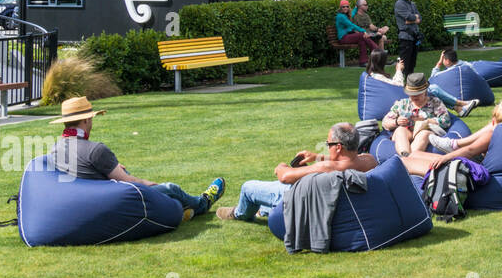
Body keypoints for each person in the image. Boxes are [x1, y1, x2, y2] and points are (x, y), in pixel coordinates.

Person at [47, 96, 226, 222]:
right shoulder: (96, 150)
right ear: (86, 120)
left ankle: (183, 210)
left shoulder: (55, 149)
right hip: (115, 203)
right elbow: (131, 182)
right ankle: (203, 203)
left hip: (82, 204)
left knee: (123, 171)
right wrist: (154, 185)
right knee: (171, 188)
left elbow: (82, 171)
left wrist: (110, 169)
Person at [217, 122, 376, 221]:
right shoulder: (369, 160)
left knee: (248, 187)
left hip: (296, 199)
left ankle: (238, 213)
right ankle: (263, 210)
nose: (327, 146)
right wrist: (316, 156)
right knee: (268, 194)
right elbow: (344, 161)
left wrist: (281, 167)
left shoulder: (327, 169)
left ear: (339, 147)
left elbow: (285, 177)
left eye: (328, 144)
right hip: (330, 202)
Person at [401, 98, 502, 175]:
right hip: (473, 165)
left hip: (471, 170)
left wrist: (444, 158)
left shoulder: (492, 135)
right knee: (414, 155)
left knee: (406, 161)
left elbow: (469, 151)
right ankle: (454, 143)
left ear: (493, 120)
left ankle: (453, 144)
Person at [381, 72, 454, 156]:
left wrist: (427, 121)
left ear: (425, 91)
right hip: (407, 132)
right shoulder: (402, 104)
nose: (415, 96)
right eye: (412, 94)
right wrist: (397, 122)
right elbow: (385, 122)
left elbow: (446, 120)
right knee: (400, 130)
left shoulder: (435, 102)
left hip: (424, 133)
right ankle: (405, 155)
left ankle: (409, 160)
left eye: (418, 93)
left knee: (424, 134)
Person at [426, 49, 483, 117]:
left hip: (454, 95)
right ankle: (460, 109)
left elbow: (432, 79)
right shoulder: (468, 65)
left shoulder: (446, 73)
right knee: (435, 92)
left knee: (435, 90)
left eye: (443, 59)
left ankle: (463, 104)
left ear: (447, 61)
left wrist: (439, 63)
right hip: (477, 93)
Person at [335, 0, 379, 66]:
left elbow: (352, 14)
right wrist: (363, 31)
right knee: (361, 35)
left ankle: (363, 62)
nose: (345, 8)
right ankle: (377, 50)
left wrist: (356, 8)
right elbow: (351, 25)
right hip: (343, 38)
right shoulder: (340, 16)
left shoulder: (346, 15)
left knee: (362, 40)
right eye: (343, 7)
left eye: (347, 6)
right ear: (340, 8)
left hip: (348, 36)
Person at [393, 0, 422, 74]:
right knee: (403, 64)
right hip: (405, 38)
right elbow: (410, 17)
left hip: (414, 37)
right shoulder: (399, 4)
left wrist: (412, 19)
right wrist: (413, 18)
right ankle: (399, 84)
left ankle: (409, 85)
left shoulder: (412, 4)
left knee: (412, 64)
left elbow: (419, 18)